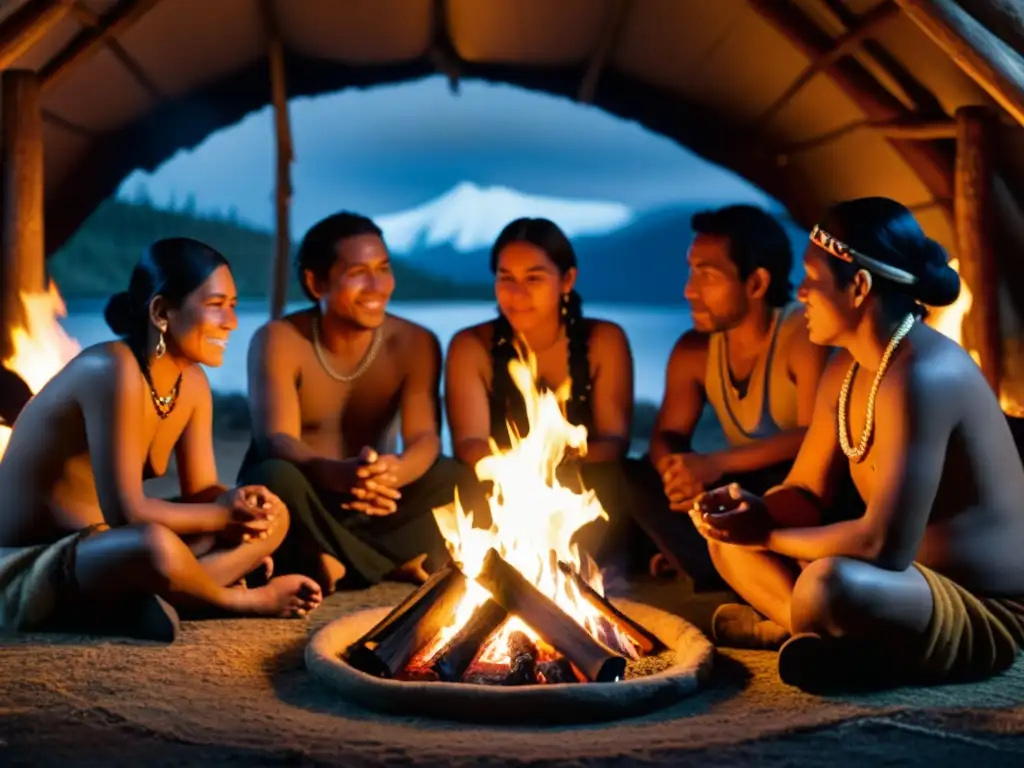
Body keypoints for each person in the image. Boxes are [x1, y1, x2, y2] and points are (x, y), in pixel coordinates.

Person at [692, 197, 1024, 692]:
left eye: (811, 277)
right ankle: (812, 632)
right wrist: (748, 510)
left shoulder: (923, 375)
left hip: (979, 605)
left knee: (827, 584)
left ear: (859, 286)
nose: (800, 292)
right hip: (899, 585)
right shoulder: (846, 368)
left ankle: (805, 627)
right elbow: (805, 490)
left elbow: (881, 545)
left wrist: (764, 535)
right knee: (723, 544)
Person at [0, 238, 322, 642]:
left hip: (105, 545)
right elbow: (129, 514)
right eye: (216, 304)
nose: (232, 322)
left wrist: (241, 506)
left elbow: (201, 491)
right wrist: (223, 516)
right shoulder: (111, 369)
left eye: (234, 306)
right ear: (162, 312)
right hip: (34, 561)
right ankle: (231, 600)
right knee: (154, 546)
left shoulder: (192, 381)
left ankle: (163, 595)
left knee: (273, 518)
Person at [238, 212, 456, 594]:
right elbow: (275, 438)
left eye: (384, 268)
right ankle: (390, 562)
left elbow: (424, 436)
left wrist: (396, 473)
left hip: (377, 501)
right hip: (307, 495)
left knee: (457, 478)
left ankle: (337, 562)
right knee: (271, 477)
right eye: (358, 272)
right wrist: (331, 472)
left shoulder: (416, 342)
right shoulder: (279, 340)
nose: (377, 286)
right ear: (316, 281)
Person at [636, 205, 832, 586]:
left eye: (706, 276)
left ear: (756, 283)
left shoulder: (803, 335)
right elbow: (666, 436)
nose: (689, 290)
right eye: (691, 271)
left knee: (780, 486)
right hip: (729, 487)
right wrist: (677, 472)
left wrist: (716, 463)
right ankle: (718, 566)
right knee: (626, 475)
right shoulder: (694, 351)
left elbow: (816, 435)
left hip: (788, 489)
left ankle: (716, 565)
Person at [444, 217, 636, 570]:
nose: (517, 294)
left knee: (627, 478)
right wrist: (520, 469)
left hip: (583, 476)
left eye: (533, 278)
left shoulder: (602, 340)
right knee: (448, 480)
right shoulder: (471, 346)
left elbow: (614, 440)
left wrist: (555, 459)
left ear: (567, 280)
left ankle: (583, 563)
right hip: (500, 481)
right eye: (506, 278)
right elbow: (469, 443)